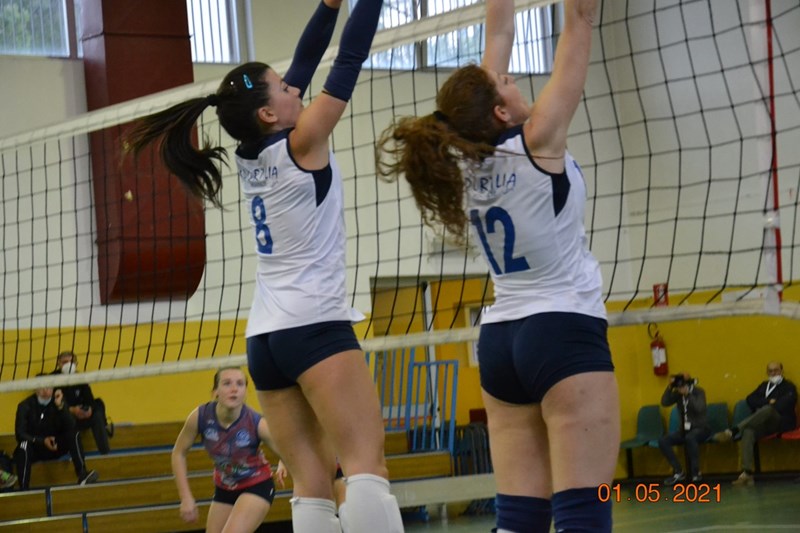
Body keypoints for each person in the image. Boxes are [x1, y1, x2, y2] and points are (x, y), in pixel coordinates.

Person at [125, 1, 403, 532]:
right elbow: (348, 60)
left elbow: (303, 64)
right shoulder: (304, 140)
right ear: (269, 114)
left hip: (266, 341)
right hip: (316, 326)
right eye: (284, 87)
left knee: (312, 483)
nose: (295, 87)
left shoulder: (252, 153)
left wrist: (328, 6)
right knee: (366, 466)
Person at [377, 1, 618, 532]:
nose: (511, 79)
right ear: (501, 114)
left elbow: (500, 31)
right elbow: (579, 20)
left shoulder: (466, 157)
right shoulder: (539, 140)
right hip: (562, 331)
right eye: (506, 83)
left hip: (502, 342)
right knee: (583, 512)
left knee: (519, 520)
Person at [172, 367, 285, 533]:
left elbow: (289, 450)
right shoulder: (200, 417)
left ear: (245, 392)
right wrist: (186, 497)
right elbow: (178, 453)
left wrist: (284, 462)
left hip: (257, 485)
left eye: (240, 384)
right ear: (215, 392)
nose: (234, 389)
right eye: (227, 383)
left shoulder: (257, 423)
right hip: (224, 487)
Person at [713, 361, 797, 486]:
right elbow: (750, 399)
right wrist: (769, 401)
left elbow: (784, 404)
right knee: (748, 431)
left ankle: (734, 430)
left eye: (776, 370)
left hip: (781, 422)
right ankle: (747, 473)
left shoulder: (789, 387)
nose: (773, 373)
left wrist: (766, 404)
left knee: (768, 410)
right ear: (767, 372)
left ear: (781, 371)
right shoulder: (764, 386)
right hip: (762, 424)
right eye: (770, 371)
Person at [14, 376, 99, 490]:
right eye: (42, 387)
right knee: (23, 445)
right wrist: (42, 441)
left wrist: (60, 406)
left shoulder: (59, 402)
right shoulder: (25, 406)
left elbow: (71, 425)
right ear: (35, 388)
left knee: (74, 433)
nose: (46, 391)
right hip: (35, 448)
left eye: (49, 387)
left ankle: (82, 474)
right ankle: (24, 489)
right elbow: (20, 434)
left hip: (55, 446)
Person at [52, 351, 113, 454]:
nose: (68, 365)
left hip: (81, 415)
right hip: (65, 418)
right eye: (65, 362)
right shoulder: (52, 379)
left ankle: (105, 451)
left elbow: (90, 399)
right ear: (58, 364)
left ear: (76, 364)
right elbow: (51, 404)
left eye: (71, 362)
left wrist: (89, 409)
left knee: (98, 404)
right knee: (60, 413)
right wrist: (72, 410)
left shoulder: (80, 378)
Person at [658, 373, 710, 485]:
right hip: (684, 430)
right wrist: (670, 387)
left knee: (690, 438)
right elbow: (664, 402)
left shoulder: (698, 392)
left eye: (682, 384)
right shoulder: (678, 394)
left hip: (701, 428)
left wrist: (688, 394)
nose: (680, 388)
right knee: (663, 440)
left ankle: (695, 473)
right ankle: (678, 471)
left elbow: (699, 408)